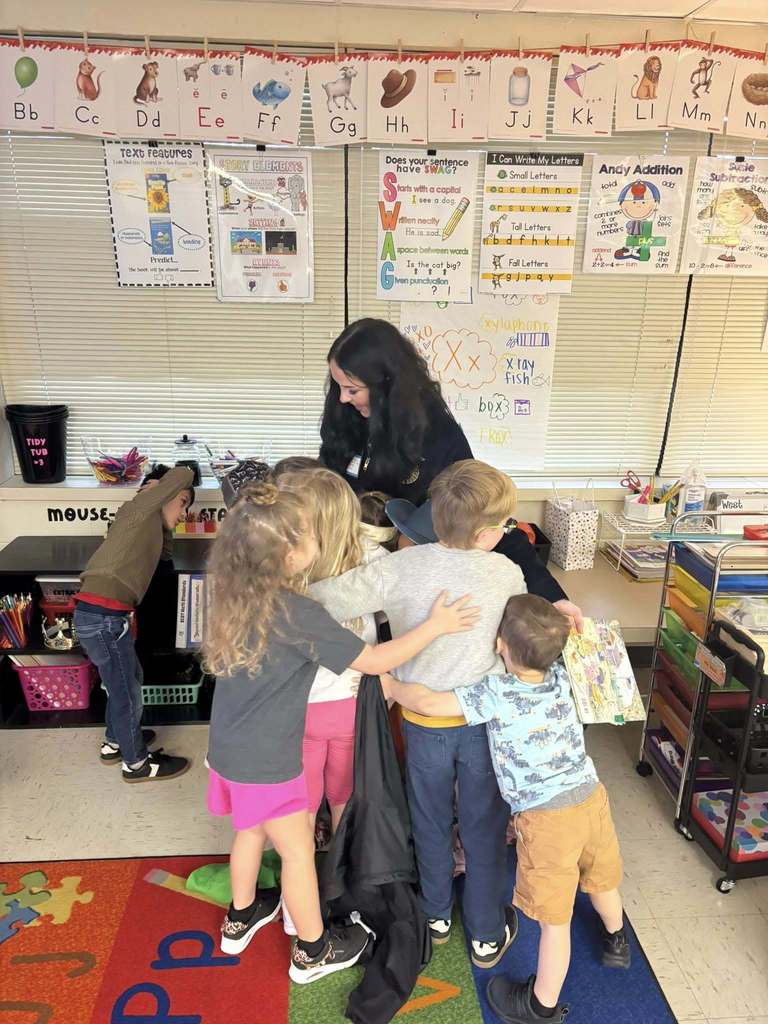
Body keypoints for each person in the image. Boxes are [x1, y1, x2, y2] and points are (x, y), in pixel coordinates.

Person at [203, 481, 479, 983]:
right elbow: (374, 659)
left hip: (226, 750)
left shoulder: (230, 594)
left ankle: (239, 919)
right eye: (308, 534)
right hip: (270, 761)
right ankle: (313, 950)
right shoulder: (299, 612)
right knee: (298, 854)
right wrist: (436, 626)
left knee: (248, 833)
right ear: (290, 555)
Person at [310, 460, 526, 969]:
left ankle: (435, 915)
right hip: (480, 725)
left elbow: (318, 600)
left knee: (427, 820)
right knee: (482, 824)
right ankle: (486, 934)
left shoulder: (402, 566)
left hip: (419, 721)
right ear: (491, 533)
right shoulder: (507, 572)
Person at [380, 593, 629, 1024]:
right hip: (591, 797)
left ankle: (541, 1005)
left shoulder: (497, 691)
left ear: (499, 645)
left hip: (549, 820)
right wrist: (564, 617)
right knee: (601, 877)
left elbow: (432, 704)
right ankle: (616, 939)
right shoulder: (562, 676)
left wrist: (392, 686)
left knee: (555, 921)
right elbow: (566, 641)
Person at [317, 317, 582, 626]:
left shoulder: (436, 436)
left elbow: (486, 516)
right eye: (338, 386)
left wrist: (552, 596)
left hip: (409, 581)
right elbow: (327, 485)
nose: (341, 398)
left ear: (386, 385)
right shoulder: (347, 415)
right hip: (350, 569)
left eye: (351, 389)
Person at [73, 465, 194, 782]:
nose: (184, 513)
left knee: (127, 682)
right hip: (103, 618)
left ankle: (115, 742)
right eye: (182, 503)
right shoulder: (140, 509)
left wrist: (168, 524)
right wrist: (158, 489)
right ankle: (137, 764)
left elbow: (164, 558)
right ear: (162, 494)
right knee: (127, 691)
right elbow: (183, 473)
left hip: (103, 616)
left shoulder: (150, 526)